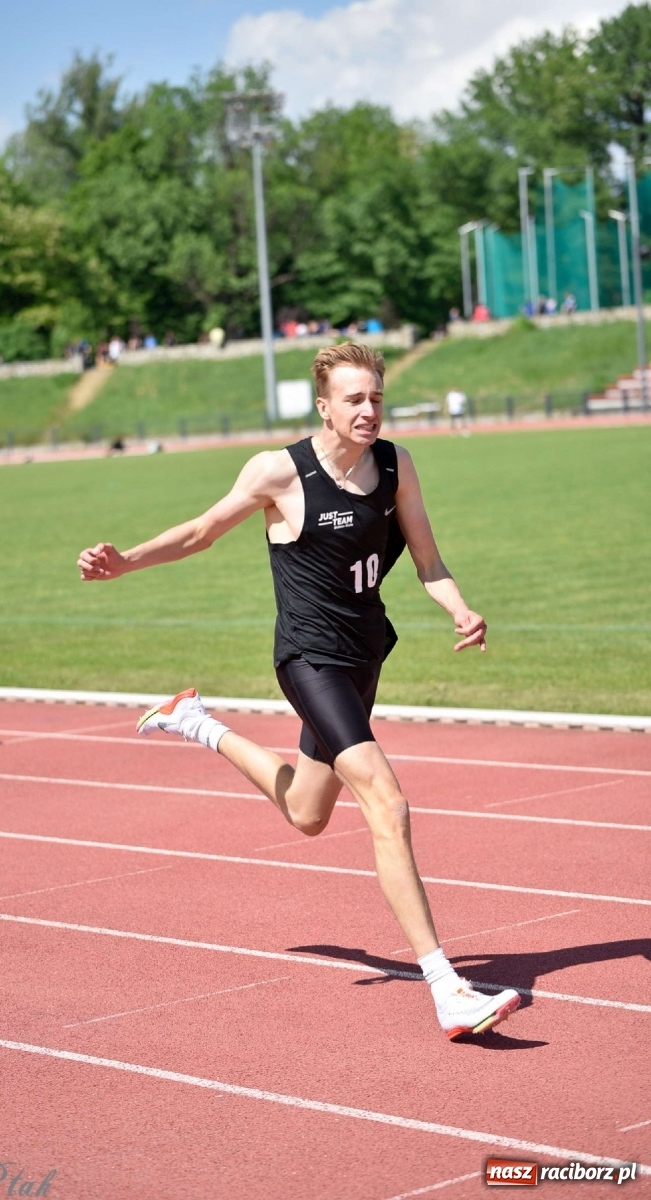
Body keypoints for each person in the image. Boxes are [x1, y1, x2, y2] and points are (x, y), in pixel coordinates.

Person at [77, 342, 521, 1041]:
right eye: (353, 399)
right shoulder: (279, 473)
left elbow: (428, 560)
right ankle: (445, 987)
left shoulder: (394, 465)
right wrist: (125, 562)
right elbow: (201, 531)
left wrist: (458, 608)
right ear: (323, 405)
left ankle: (194, 721)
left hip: (364, 656)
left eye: (375, 397)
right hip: (308, 660)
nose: (368, 409)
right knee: (386, 799)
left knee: (308, 813)